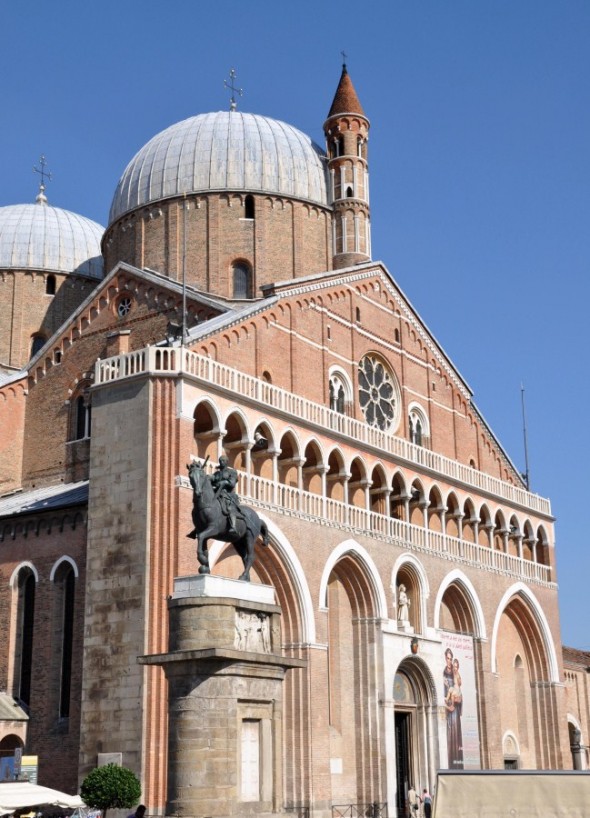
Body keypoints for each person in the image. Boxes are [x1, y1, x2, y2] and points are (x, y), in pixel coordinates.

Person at [443, 648, 464, 769]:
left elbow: (459, 692)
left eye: (451, 659)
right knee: (448, 738)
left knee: (455, 736)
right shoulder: (443, 672)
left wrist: (456, 701)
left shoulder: (455, 674)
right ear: (445, 658)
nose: (449, 661)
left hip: (454, 711)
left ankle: (457, 766)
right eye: (448, 658)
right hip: (447, 711)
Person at [210, 455, 241, 534]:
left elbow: (232, 483)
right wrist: (208, 477)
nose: (221, 462)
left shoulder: (232, 472)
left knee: (229, 508)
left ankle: (233, 526)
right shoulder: (217, 473)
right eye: (220, 460)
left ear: (227, 462)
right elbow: (212, 479)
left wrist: (224, 482)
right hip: (216, 493)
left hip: (227, 494)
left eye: (223, 460)